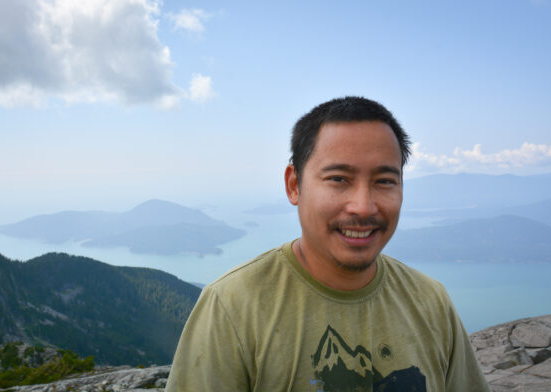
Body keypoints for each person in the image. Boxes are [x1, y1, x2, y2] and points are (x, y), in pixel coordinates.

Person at [165, 97, 489, 391]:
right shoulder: (233, 306)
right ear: (295, 185)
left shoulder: (431, 302)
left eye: (384, 181)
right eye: (338, 179)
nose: (363, 206)